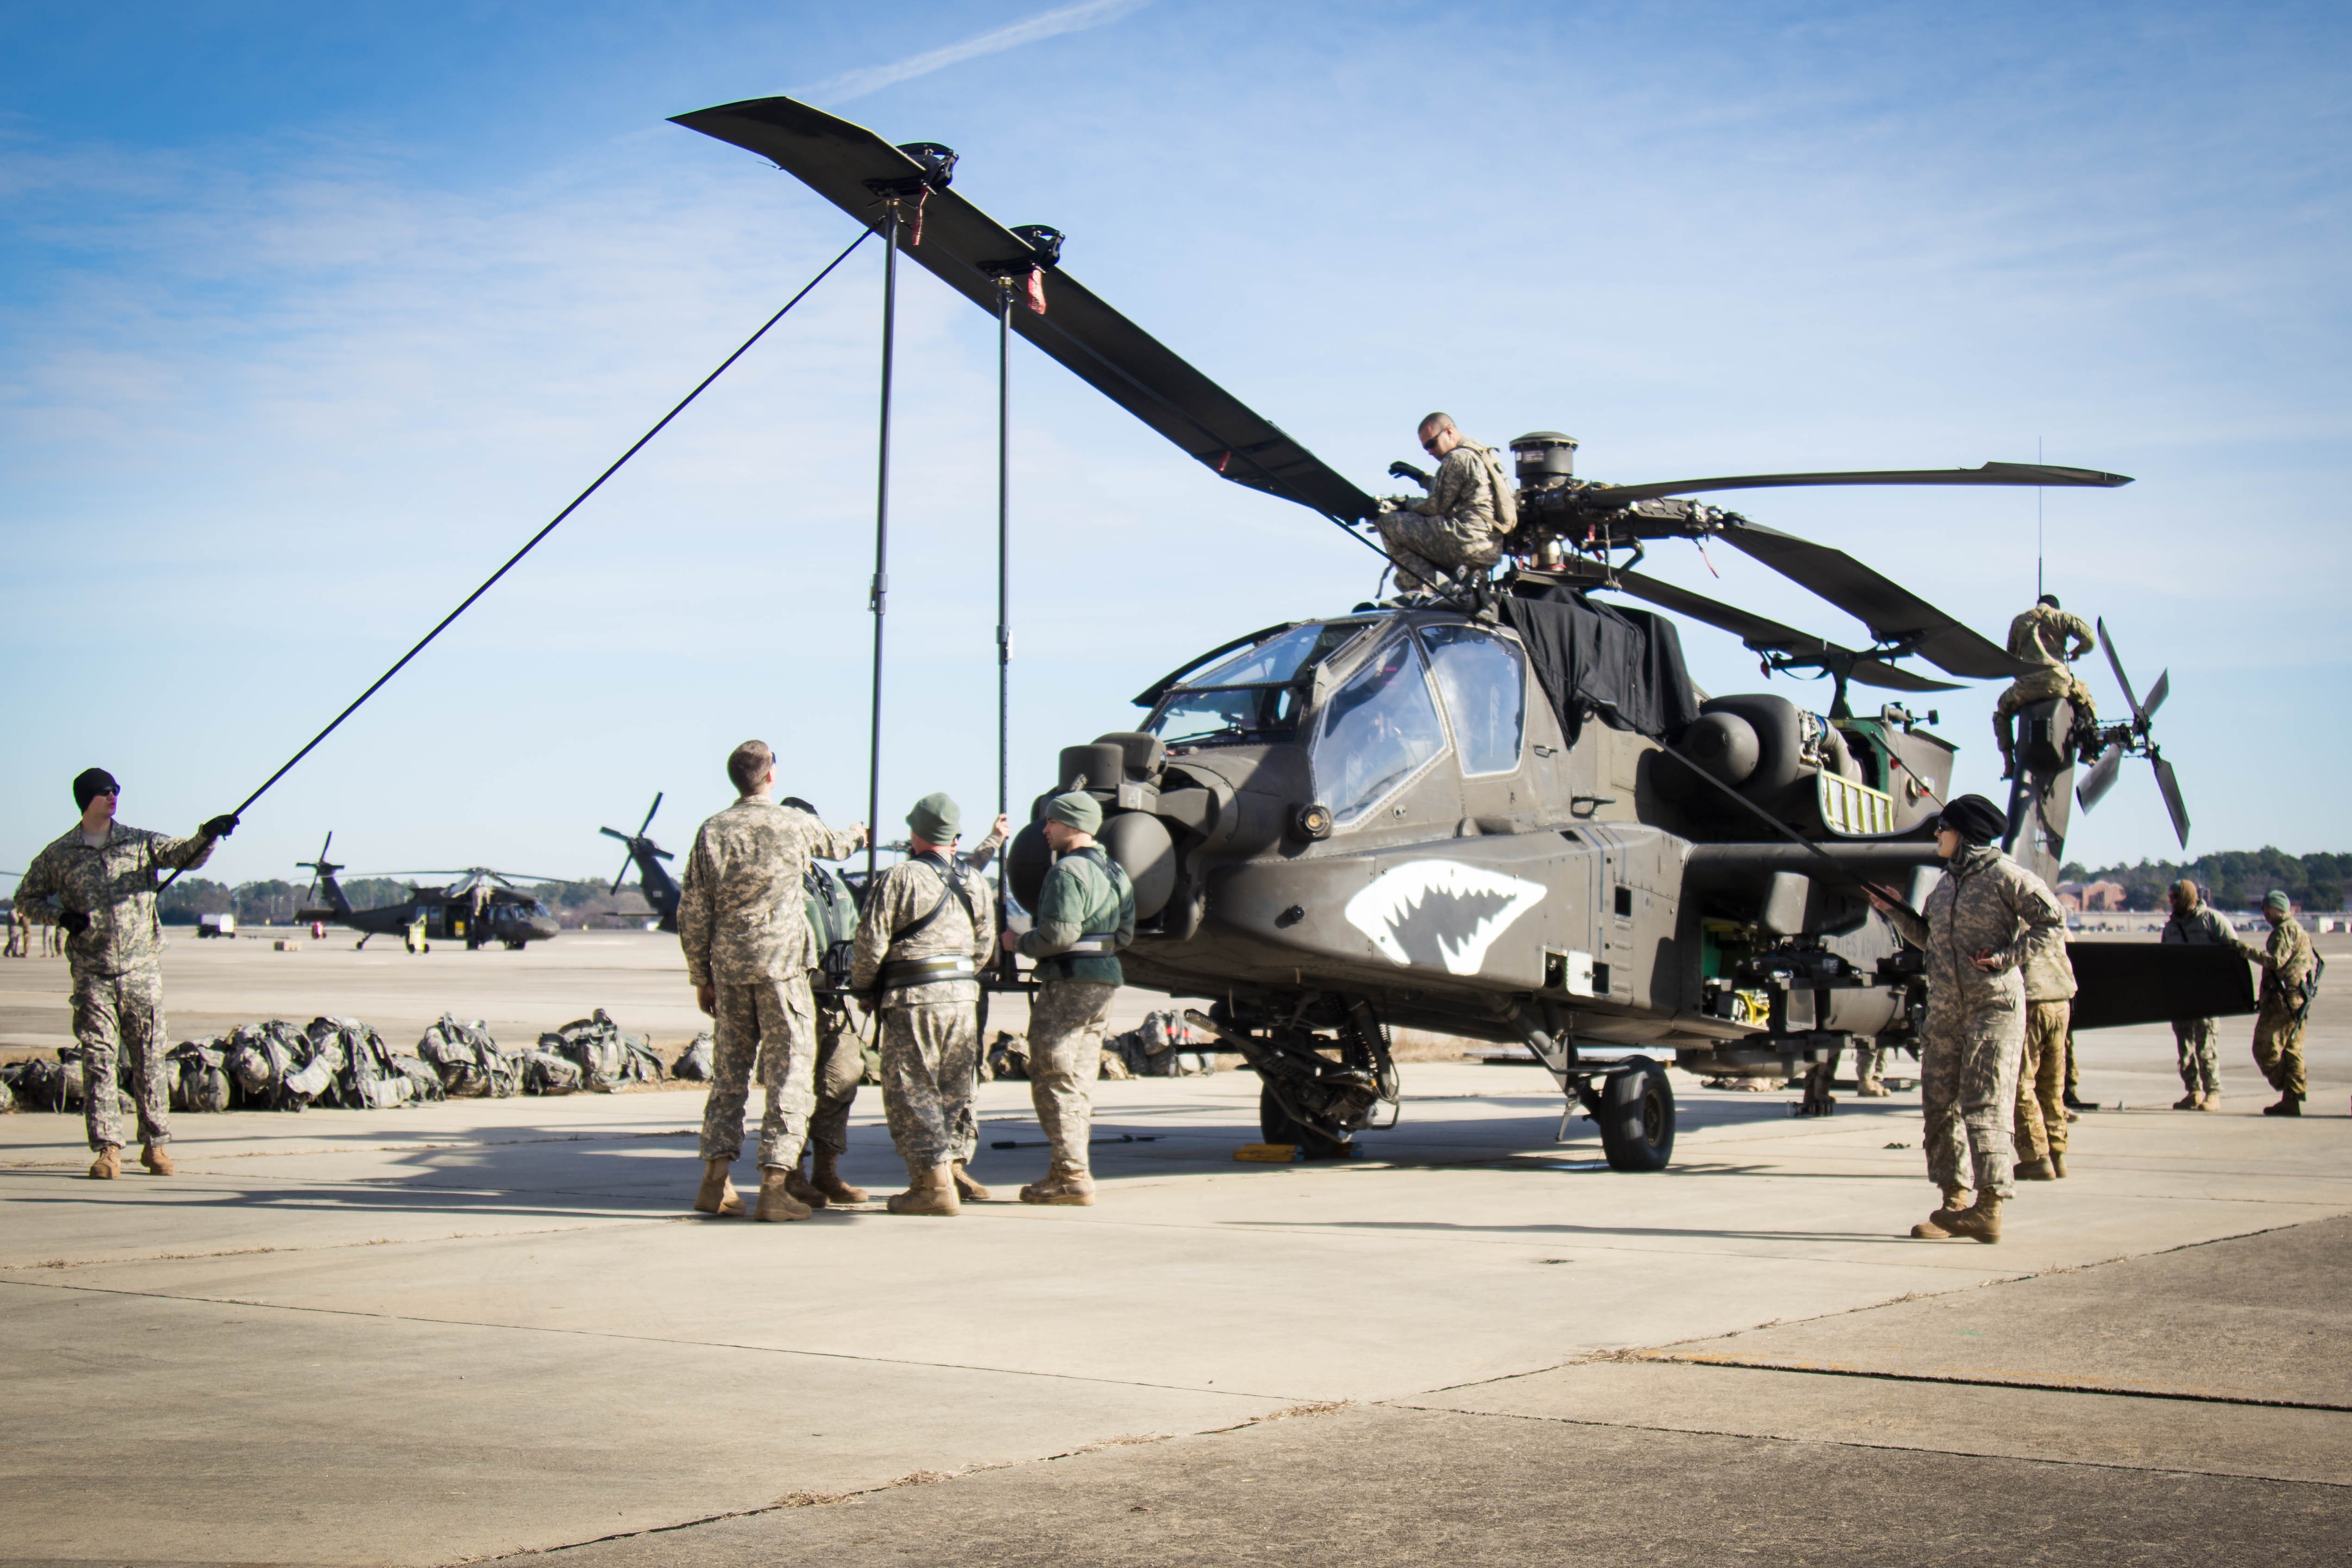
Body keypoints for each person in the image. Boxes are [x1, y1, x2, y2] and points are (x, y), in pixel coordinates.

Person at [10, 768, 239, 1179]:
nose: (113, 796)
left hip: (141, 969)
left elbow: (183, 856)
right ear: (86, 800)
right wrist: (60, 916)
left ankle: (155, 1145)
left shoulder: (138, 842)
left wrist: (209, 834)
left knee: (149, 1057)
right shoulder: (59, 854)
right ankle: (108, 1149)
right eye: (104, 792)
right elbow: (25, 898)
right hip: (92, 971)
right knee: (98, 1059)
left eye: (116, 790)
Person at [676, 741, 866, 1222]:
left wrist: (701, 976)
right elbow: (837, 847)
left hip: (730, 970)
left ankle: (715, 1181)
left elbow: (693, 911)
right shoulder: (792, 822)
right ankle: (775, 1185)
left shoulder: (712, 830)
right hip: (781, 970)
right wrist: (859, 834)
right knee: (789, 1076)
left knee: (729, 1076)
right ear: (771, 776)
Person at [1868, 793, 2067, 1244]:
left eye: (1942, 828)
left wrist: (2005, 958)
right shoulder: (1945, 885)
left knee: (1983, 1105)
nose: (1936, 834)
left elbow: (2051, 921)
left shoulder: (2005, 877)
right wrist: (1894, 911)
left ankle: (1989, 1208)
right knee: (1938, 1107)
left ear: (1964, 835)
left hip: (1991, 1009)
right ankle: (1953, 1202)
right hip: (1945, 1012)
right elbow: (1928, 938)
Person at [849, 793, 999, 1216]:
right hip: (962, 997)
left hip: (914, 999)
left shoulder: (901, 877)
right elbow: (984, 945)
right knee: (953, 1089)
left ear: (915, 832)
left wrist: (864, 988)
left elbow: (871, 942)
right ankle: (941, 1172)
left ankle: (933, 1185)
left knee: (912, 1089)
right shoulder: (975, 880)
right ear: (952, 834)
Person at [1001, 791, 1135, 1205]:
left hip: (1069, 984)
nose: (1045, 830)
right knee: (1077, 1081)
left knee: (1052, 1076)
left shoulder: (1067, 872)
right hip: (1103, 984)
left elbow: (1059, 935)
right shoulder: (1116, 872)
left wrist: (1018, 941)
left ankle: (1071, 1175)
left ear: (1073, 825)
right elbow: (1126, 934)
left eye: (1053, 823)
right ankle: (1069, 1168)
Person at [1372, 413, 1517, 593]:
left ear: (1449, 432)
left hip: (1467, 540)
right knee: (1401, 580)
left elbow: (1435, 506)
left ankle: (1429, 589)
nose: (1430, 451)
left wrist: (1405, 504)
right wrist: (1421, 477)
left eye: (1432, 444)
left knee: (1388, 524)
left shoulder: (1457, 458)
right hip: (1487, 547)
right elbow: (1452, 489)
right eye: (1426, 448)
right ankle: (1451, 587)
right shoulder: (1478, 453)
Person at [1994, 593, 2098, 780]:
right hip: (2059, 683)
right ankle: (2088, 751)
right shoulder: (2062, 618)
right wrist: (2077, 652)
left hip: (2026, 688)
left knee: (2002, 712)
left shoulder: (2019, 621)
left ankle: (2009, 764)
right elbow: (2089, 640)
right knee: (2086, 701)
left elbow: (2010, 658)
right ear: (2054, 607)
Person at [2232, 890, 2315, 1117]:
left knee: (2264, 1048)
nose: (2265, 914)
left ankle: (2289, 1090)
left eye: (2267, 909)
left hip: (2283, 1002)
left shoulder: (2285, 931)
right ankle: (2292, 1098)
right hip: (2297, 1001)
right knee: (2292, 1051)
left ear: (2278, 909)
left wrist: (2243, 950)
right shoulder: (2300, 931)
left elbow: (2275, 962)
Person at [2012, 909, 2078, 1180]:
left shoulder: (2011, 917)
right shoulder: (2050, 915)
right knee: (2052, 1084)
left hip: (2032, 1002)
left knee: (2021, 1083)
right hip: (2061, 1001)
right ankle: (2058, 1154)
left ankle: (2036, 1157)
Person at [2160, 879, 2233, 1110]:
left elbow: (2233, 951)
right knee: (2185, 1048)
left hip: (2206, 997)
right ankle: (2193, 1091)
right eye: (2170, 896)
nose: (2171, 901)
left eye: (2175, 897)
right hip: (2181, 996)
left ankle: (2213, 1093)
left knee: (2206, 1047)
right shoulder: (2171, 927)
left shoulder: (2211, 920)